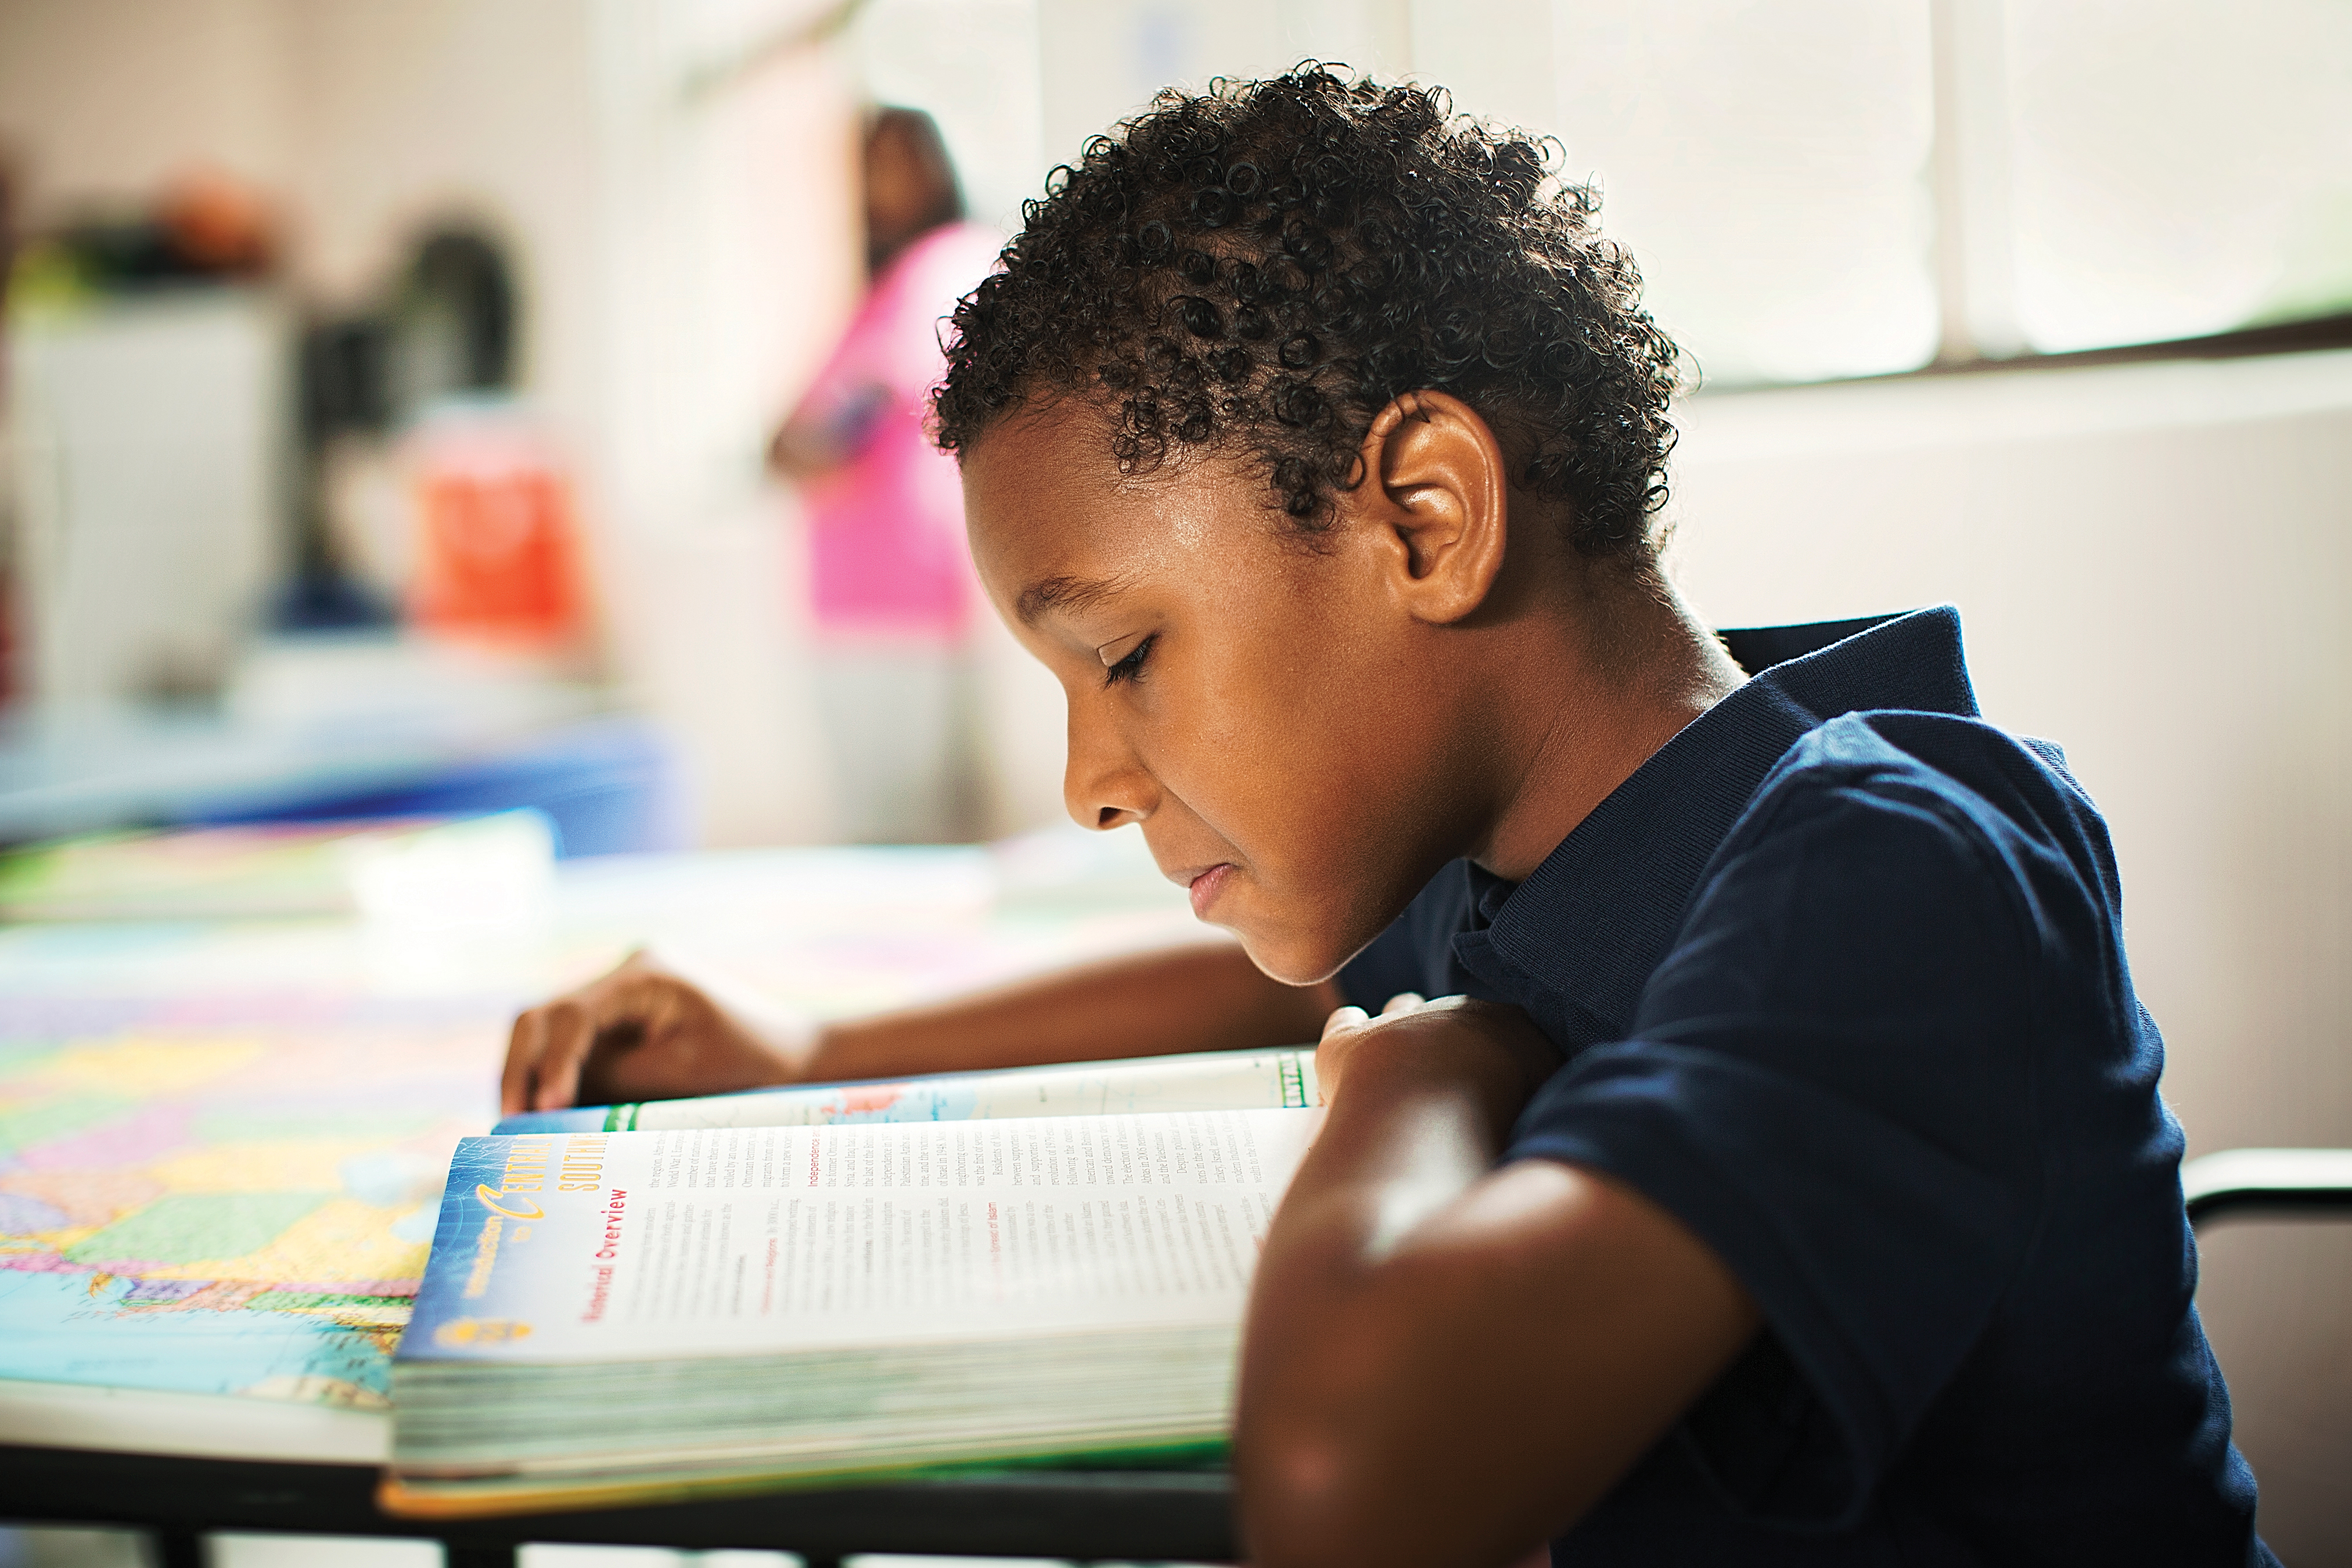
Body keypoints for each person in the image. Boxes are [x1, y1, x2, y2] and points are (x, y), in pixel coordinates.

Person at [506, 69, 2274, 1567]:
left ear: (1428, 520)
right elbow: (1279, 987)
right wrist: (806, 1043)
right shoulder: (1533, 858)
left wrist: (1423, 1085)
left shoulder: (1910, 866)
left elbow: (1356, 1490)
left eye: (1124, 655)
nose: (1089, 781)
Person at [769, 106, 1004, 841]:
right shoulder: (873, 292)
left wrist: (808, 446)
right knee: (882, 840)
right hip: (848, 610)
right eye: (866, 158)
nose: (878, 176)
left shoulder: (949, 261)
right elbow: (780, 444)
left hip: (908, 600)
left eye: (895, 155)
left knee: (915, 849)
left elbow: (844, 423)